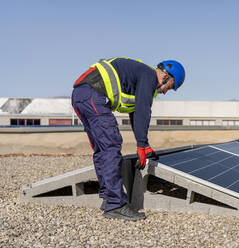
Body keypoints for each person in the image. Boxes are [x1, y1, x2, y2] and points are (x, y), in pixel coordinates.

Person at [71, 57, 185, 220]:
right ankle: (115, 205)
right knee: (110, 147)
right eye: (170, 87)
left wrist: (143, 144)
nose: (166, 92)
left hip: (80, 95)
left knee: (102, 149)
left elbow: (135, 113)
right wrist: (142, 144)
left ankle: (108, 197)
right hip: (94, 94)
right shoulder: (149, 76)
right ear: (166, 77)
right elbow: (143, 110)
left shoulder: (139, 77)